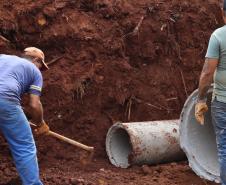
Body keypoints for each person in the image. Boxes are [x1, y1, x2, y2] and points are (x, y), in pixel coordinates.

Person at [0, 47, 50, 185]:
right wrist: (40, 123)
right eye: (41, 66)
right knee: (24, 146)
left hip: (5, 102)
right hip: (5, 101)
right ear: (36, 60)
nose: (40, 70)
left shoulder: (2, 58)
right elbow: (34, 104)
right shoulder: (34, 71)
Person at [195, 1, 226, 184]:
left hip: (222, 102)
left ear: (223, 13)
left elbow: (207, 72)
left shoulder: (218, 36)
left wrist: (200, 99)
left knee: (224, 147)